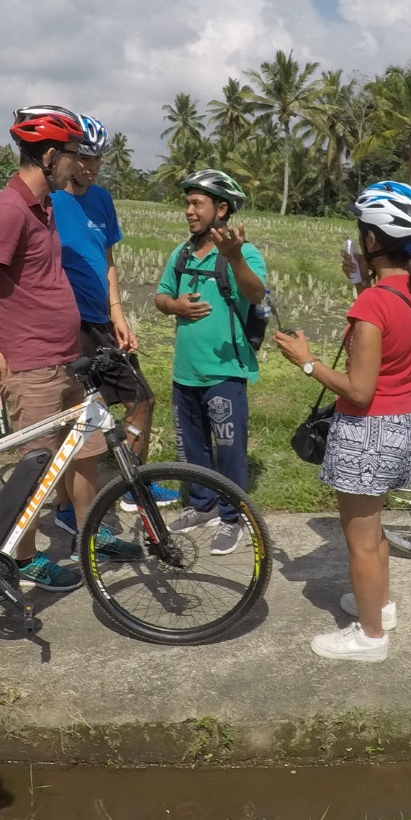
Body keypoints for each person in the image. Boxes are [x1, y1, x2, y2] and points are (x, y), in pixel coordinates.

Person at [0, 106, 140, 592]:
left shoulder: (46, 204)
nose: (78, 165)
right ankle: (27, 557)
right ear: (51, 155)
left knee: (85, 453)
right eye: (73, 155)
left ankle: (91, 534)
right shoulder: (11, 208)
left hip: (67, 357)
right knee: (34, 468)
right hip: (31, 363)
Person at [274, 181, 411, 663]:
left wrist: (306, 361)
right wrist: (358, 281)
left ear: (371, 242)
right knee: (374, 527)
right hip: (404, 422)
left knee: (361, 540)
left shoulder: (372, 305)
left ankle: (370, 638)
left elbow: (359, 389)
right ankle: (380, 607)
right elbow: (394, 323)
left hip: (369, 430)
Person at [49, 113, 177, 538]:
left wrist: (119, 315)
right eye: (82, 158)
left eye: (96, 160)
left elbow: (106, 262)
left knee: (141, 398)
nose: (88, 168)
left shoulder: (101, 199)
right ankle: (66, 508)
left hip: (103, 320)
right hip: (70, 325)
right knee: (77, 421)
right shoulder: (49, 200)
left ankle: (130, 484)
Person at [154, 169, 267, 555]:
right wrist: (175, 305)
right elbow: (161, 296)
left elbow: (255, 294)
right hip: (185, 371)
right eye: (187, 203)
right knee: (193, 447)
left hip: (225, 373)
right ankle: (202, 506)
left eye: (196, 203)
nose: (189, 210)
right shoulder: (181, 253)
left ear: (221, 209)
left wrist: (234, 257)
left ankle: (232, 517)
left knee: (229, 448)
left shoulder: (243, 254)